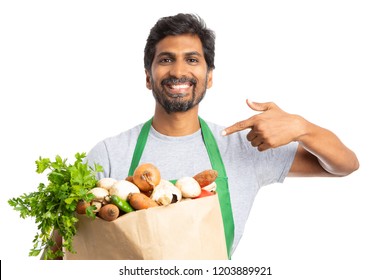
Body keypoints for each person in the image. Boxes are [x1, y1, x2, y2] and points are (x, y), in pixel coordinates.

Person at [54, 13, 359, 259]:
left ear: (209, 77)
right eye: (165, 59)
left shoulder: (244, 147)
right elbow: (69, 248)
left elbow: (344, 165)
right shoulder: (110, 153)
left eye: (192, 59)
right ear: (148, 77)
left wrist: (302, 128)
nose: (178, 71)